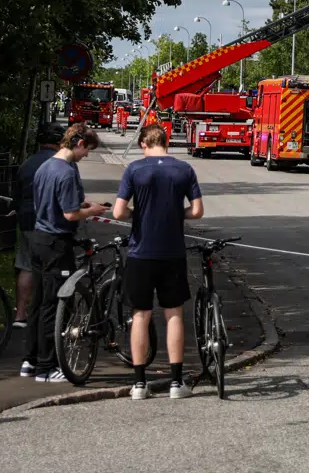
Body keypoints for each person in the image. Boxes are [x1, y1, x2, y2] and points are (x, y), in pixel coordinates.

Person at [114, 123, 203, 400]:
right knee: (174, 314)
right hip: (172, 252)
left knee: (140, 315)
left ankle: (139, 384)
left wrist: (136, 216)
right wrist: (178, 214)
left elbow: (118, 212)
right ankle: (177, 383)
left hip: (141, 253)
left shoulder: (134, 170)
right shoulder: (184, 170)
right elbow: (197, 211)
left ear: (143, 144)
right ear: (166, 142)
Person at [30, 125, 109, 383]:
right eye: (87, 149)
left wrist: (84, 204)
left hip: (39, 237)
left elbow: (56, 201)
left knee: (41, 302)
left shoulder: (45, 167)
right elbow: (70, 214)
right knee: (55, 304)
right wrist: (93, 211)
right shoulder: (65, 172)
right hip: (56, 242)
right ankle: (47, 366)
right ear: (78, 143)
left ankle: (33, 360)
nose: (86, 155)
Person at [13, 122, 65, 373]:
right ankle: (47, 353)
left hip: (26, 222)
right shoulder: (59, 165)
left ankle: (20, 312)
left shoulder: (26, 164)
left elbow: (17, 194)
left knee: (26, 264)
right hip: (48, 226)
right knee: (48, 283)